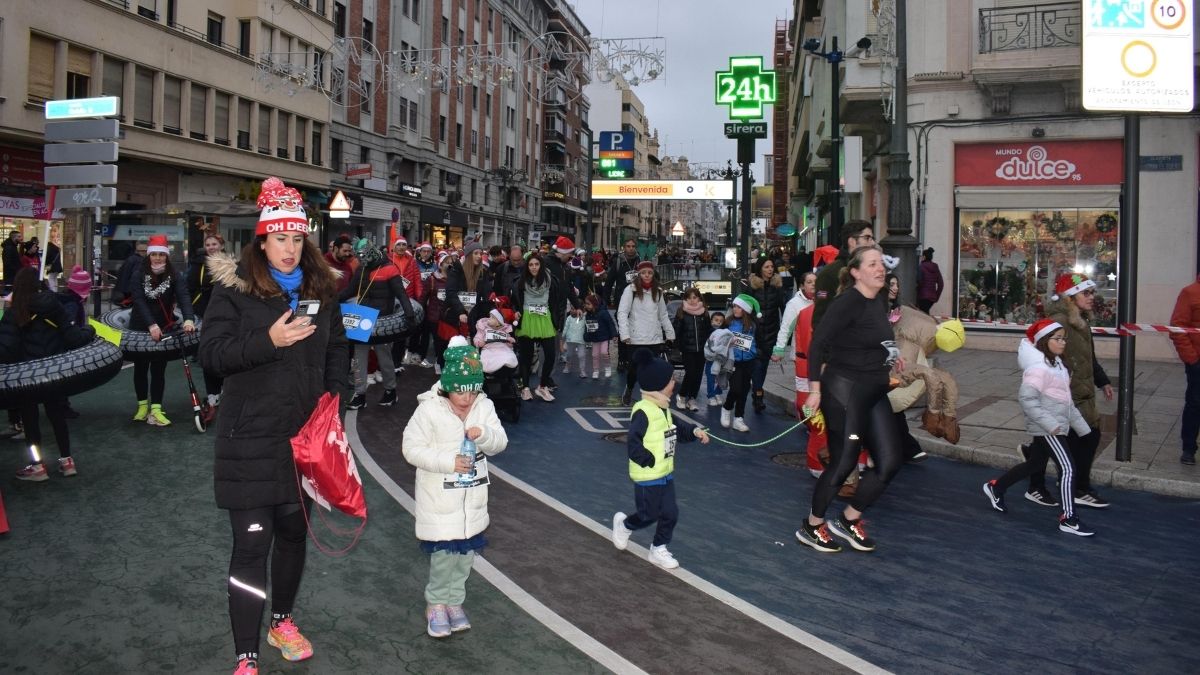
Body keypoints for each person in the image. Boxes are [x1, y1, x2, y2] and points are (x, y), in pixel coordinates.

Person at [199, 176, 348, 675]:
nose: (288, 249)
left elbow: (336, 350)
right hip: (249, 442)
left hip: (304, 442)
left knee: (292, 535)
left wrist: (333, 403)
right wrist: (269, 340)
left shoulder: (321, 291)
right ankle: (246, 655)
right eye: (279, 238)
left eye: (296, 238)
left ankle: (282, 621)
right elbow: (213, 356)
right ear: (261, 240)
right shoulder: (234, 291)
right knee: (251, 546)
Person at [795, 245, 905, 553]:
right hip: (844, 392)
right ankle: (812, 526)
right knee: (844, 461)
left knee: (890, 461)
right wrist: (815, 389)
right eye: (872, 264)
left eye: (881, 263)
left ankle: (848, 520)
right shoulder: (847, 302)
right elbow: (818, 345)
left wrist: (892, 356)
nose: (880, 268)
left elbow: (872, 339)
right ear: (856, 272)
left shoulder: (878, 300)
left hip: (873, 390)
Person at [402, 335, 508, 638]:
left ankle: (455, 602)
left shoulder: (483, 407)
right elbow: (411, 449)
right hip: (439, 501)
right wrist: (449, 461)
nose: (468, 398)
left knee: (464, 559)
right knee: (443, 558)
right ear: (447, 385)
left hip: (472, 501)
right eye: (462, 391)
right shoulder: (428, 410)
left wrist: (484, 434)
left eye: (474, 390)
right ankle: (436, 603)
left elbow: (500, 442)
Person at [982, 319, 1094, 536]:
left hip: (1054, 425)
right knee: (1068, 468)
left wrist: (1083, 428)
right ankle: (1068, 518)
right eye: (1058, 338)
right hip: (1048, 428)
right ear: (1044, 340)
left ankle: (996, 487)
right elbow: (1027, 400)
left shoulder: (1058, 365)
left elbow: (1066, 401)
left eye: (1064, 338)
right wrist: (1051, 425)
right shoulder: (1038, 369)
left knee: (1034, 464)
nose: (1063, 342)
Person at [611, 348, 710, 569]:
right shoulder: (643, 411)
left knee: (670, 513)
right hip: (648, 474)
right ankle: (624, 525)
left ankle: (658, 548)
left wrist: (694, 432)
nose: (674, 383)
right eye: (671, 380)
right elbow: (633, 442)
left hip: (665, 472)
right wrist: (648, 460)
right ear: (659, 385)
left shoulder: (662, 408)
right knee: (648, 514)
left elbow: (677, 428)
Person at [1023, 274, 1113, 508]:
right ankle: (1073, 488)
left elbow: (1088, 358)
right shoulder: (1060, 321)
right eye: (1086, 293)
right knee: (1083, 438)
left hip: (1079, 393)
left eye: (1092, 292)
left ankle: (1054, 484)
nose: (1092, 297)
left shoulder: (1080, 321)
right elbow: (1042, 354)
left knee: (1063, 441)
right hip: (1062, 393)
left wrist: (1102, 381)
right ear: (1070, 297)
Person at [0, 267, 93, 480]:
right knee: (57, 416)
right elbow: (74, 338)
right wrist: (91, 331)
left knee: (31, 423)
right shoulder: (54, 306)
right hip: (53, 372)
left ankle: (37, 465)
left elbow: (6, 349)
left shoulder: (15, 312)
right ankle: (67, 461)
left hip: (26, 376)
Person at [340, 239, 416, 409]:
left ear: (372, 253)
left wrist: (409, 315)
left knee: (384, 358)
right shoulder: (361, 269)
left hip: (382, 321)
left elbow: (401, 294)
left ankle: (390, 391)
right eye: (359, 257)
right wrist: (333, 300)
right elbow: (350, 291)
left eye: (364, 256)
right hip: (363, 318)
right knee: (359, 360)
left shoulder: (389, 269)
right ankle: (359, 395)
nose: (361, 260)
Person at [129, 235, 196, 427]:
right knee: (140, 367)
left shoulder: (174, 275)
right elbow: (139, 300)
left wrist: (189, 318)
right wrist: (151, 325)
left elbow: (183, 296)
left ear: (167, 256)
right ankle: (142, 406)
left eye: (161, 255)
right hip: (140, 325)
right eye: (154, 254)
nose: (158, 258)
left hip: (164, 325)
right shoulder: (138, 273)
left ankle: (156, 409)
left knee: (159, 368)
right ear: (149, 255)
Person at [773, 272, 826, 477]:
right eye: (809, 282)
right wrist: (779, 349)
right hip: (803, 358)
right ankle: (809, 422)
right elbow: (785, 328)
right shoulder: (794, 305)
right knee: (804, 401)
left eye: (816, 282)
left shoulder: (825, 301)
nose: (813, 285)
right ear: (802, 285)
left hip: (823, 360)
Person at [617, 261, 674, 406]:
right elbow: (622, 312)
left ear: (653, 273)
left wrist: (670, 333)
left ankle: (650, 399)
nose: (646, 275)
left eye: (649, 272)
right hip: (635, 339)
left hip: (654, 338)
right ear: (639, 274)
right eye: (643, 273)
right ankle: (629, 389)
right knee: (634, 371)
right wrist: (625, 334)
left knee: (652, 371)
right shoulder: (631, 290)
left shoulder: (658, 291)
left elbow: (663, 315)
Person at [512, 253, 563, 402]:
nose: (534, 267)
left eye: (536, 264)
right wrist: (515, 311)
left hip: (545, 317)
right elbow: (514, 300)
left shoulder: (551, 281)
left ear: (541, 265)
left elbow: (558, 301)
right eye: (531, 265)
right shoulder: (520, 282)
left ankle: (542, 386)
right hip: (527, 318)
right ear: (527, 267)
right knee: (526, 356)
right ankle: (526, 388)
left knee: (550, 354)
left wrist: (558, 320)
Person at [190, 233, 227, 424]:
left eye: (214, 244)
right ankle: (212, 396)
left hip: (227, 319)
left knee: (227, 356)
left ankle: (224, 392)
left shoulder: (230, 265)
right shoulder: (198, 265)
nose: (211, 247)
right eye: (208, 244)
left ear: (221, 245)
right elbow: (190, 289)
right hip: (205, 317)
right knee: (208, 356)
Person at [811, 219, 874, 329]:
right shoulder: (829, 274)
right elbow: (820, 318)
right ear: (852, 242)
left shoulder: (873, 270)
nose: (872, 243)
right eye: (867, 238)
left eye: (872, 238)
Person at [747, 257, 787, 413]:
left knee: (763, 366)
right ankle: (758, 395)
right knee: (757, 366)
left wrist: (785, 333)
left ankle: (758, 391)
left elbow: (783, 308)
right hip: (755, 333)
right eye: (766, 267)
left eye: (772, 266)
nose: (770, 269)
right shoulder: (752, 287)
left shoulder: (777, 287)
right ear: (760, 269)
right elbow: (745, 308)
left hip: (771, 332)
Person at [1171, 275, 1200, 465]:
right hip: (1198, 363)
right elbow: (1177, 328)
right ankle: (1189, 448)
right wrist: (1192, 359)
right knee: (1195, 404)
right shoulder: (1190, 292)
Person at [721, 295, 760, 433]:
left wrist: (756, 352)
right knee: (735, 388)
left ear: (745, 309)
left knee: (744, 390)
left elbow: (759, 339)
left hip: (749, 361)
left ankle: (738, 418)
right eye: (735, 306)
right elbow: (718, 339)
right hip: (733, 360)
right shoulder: (728, 322)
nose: (735, 309)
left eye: (739, 307)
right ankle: (726, 407)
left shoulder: (753, 324)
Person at [672, 287, 712, 411]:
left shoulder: (704, 313)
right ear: (685, 299)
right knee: (690, 373)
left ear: (699, 298)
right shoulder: (681, 313)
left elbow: (708, 330)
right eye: (689, 298)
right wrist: (678, 346)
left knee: (698, 374)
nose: (692, 300)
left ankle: (692, 398)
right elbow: (676, 331)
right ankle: (682, 395)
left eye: (694, 297)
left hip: (701, 349)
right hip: (687, 349)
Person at [605, 239, 642, 372]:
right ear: (624, 248)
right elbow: (609, 282)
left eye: (633, 246)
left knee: (636, 331)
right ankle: (622, 359)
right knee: (623, 330)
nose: (631, 248)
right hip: (621, 302)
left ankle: (632, 359)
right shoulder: (618, 262)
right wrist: (605, 300)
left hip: (638, 302)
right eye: (628, 246)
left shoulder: (640, 262)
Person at [582, 292, 617, 379]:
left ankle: (608, 367)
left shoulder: (603, 313)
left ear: (594, 304)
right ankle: (596, 370)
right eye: (585, 304)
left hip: (604, 337)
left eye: (588, 304)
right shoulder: (588, 315)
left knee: (604, 352)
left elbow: (610, 323)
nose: (586, 306)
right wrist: (586, 336)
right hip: (595, 338)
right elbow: (587, 326)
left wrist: (614, 335)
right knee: (595, 355)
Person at [473, 306, 518, 374]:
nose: (489, 319)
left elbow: (509, 343)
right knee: (487, 359)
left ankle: (504, 372)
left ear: (499, 322)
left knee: (509, 356)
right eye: (490, 316)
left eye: (492, 318)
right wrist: (479, 342)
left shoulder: (504, 331)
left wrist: (510, 341)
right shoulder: (484, 329)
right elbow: (477, 338)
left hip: (503, 349)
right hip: (489, 349)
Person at [112, 237, 148, 306]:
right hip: (131, 296)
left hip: (123, 294)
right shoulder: (140, 261)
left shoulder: (130, 259)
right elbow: (136, 280)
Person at [703, 311, 729, 406]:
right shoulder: (707, 331)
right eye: (716, 320)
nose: (718, 323)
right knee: (711, 378)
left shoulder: (725, 331)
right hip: (710, 359)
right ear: (711, 320)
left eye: (720, 321)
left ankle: (717, 392)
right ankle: (711, 396)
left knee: (723, 377)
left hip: (721, 359)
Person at [917, 247, 944, 314]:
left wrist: (917, 293)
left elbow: (919, 281)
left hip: (922, 296)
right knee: (925, 314)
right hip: (931, 298)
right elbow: (941, 284)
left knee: (923, 316)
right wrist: (936, 296)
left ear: (924, 257)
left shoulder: (921, 267)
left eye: (922, 256)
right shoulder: (935, 267)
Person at [561, 309, 588, 378]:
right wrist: (562, 336)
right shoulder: (569, 318)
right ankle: (567, 365)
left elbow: (588, 327)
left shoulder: (584, 317)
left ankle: (582, 371)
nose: (571, 310)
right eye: (571, 309)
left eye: (574, 309)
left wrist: (589, 338)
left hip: (581, 340)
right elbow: (566, 327)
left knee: (581, 355)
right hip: (570, 340)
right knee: (569, 355)